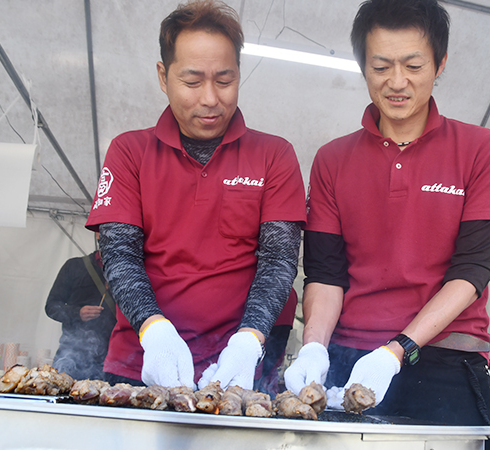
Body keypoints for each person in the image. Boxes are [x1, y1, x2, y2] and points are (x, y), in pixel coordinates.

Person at [284, 0, 490, 448]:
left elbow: (472, 270)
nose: (397, 82)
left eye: (413, 65)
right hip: (347, 358)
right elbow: (326, 273)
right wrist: (314, 345)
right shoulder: (333, 160)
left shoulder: (483, 150)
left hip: (445, 358)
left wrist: (397, 352)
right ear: (362, 66)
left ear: (440, 63)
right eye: (381, 66)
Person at [85, 0, 306, 391]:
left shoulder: (274, 155)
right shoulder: (129, 152)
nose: (209, 98)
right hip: (140, 361)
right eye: (192, 81)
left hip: (232, 370)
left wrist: (249, 338)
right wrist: (154, 332)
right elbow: (119, 255)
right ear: (162, 75)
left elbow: (279, 260)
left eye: (224, 80)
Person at [45, 249, 116, 380]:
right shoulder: (74, 266)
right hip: (72, 354)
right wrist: (77, 313)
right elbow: (52, 306)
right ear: (98, 235)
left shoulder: (130, 270)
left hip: (114, 359)